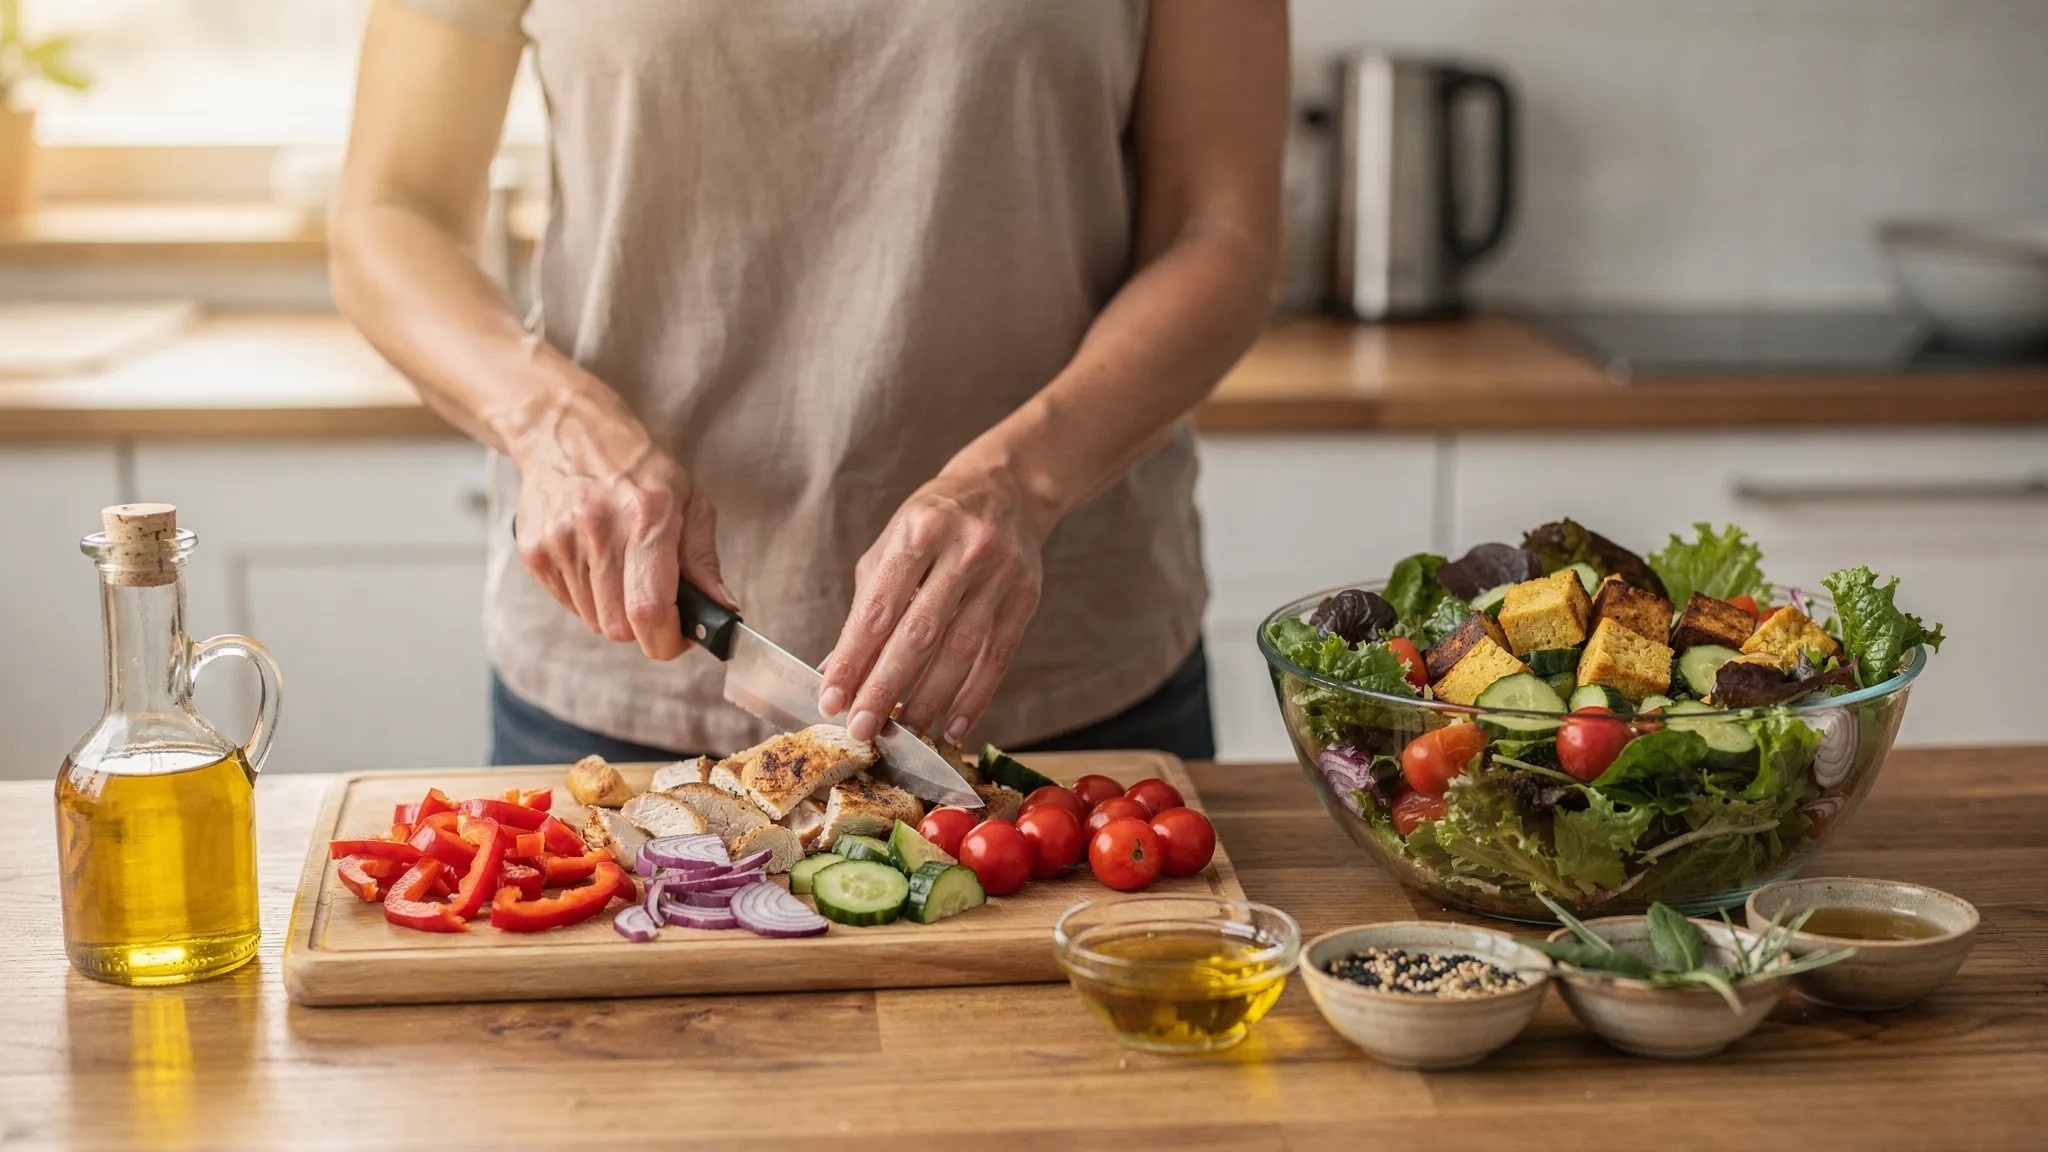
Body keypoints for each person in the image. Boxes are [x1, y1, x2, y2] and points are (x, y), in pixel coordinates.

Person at [329, 0, 1287, 767]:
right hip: (621, 672)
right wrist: (550, 420)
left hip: (1056, 674)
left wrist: (1026, 479)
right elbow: (388, 210)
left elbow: (1220, 227)